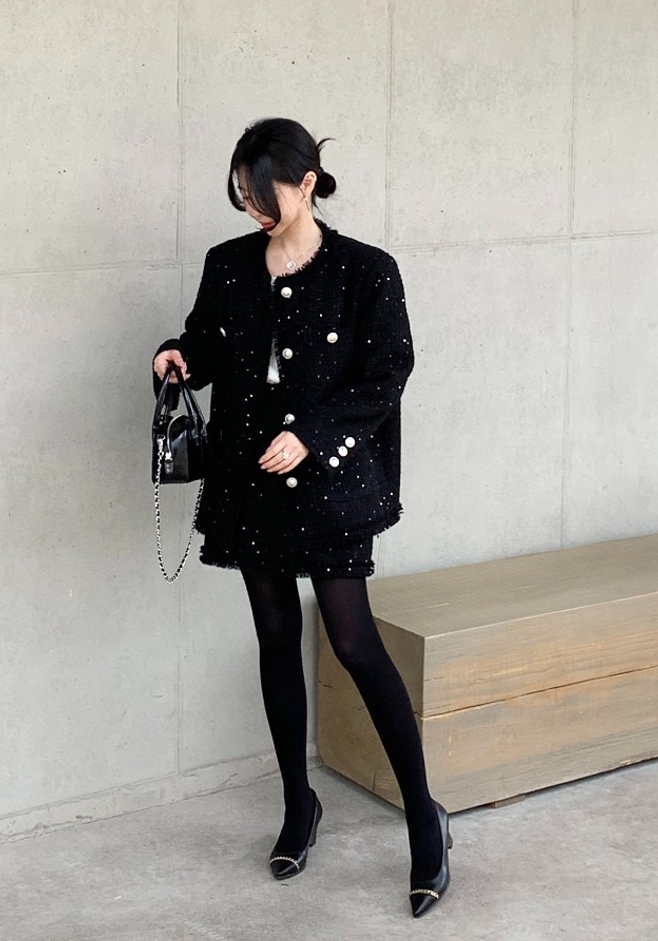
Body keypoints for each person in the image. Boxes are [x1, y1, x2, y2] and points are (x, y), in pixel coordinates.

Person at [152, 116, 452, 917]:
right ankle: (298, 803)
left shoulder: (367, 271)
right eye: (242, 198)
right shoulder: (227, 264)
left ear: (309, 182)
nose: (254, 211)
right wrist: (179, 356)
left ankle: (424, 817)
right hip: (250, 482)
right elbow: (209, 344)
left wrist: (313, 435)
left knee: (354, 643)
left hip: (331, 487)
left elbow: (388, 372)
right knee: (276, 636)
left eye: (265, 195)